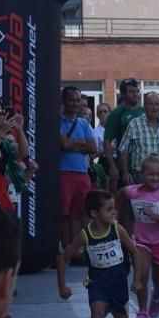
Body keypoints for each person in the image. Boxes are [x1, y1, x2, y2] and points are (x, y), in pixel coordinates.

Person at [58, 190, 143, 318]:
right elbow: (63, 258)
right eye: (109, 209)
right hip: (97, 283)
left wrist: (137, 280)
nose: (114, 213)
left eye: (115, 209)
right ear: (94, 213)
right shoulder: (85, 235)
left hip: (118, 284)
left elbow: (135, 253)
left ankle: (115, 307)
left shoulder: (117, 230)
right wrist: (62, 286)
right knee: (96, 316)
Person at [117, 155, 159, 318]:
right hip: (141, 240)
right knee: (141, 275)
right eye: (151, 174)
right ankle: (142, 311)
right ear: (142, 174)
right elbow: (120, 194)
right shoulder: (134, 191)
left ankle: (156, 297)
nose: (155, 178)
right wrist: (114, 213)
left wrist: (153, 215)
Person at [59, 86, 98, 251]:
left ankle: (75, 251)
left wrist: (72, 145)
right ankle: (66, 250)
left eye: (77, 100)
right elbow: (62, 144)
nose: (75, 103)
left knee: (79, 214)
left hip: (82, 174)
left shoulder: (83, 122)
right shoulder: (56, 121)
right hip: (63, 173)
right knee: (63, 214)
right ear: (64, 101)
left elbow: (94, 147)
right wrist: (82, 143)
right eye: (71, 100)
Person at [119, 92, 159, 188]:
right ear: (144, 106)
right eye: (151, 104)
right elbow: (124, 150)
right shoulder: (134, 124)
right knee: (140, 203)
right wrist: (125, 172)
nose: (154, 107)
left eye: (157, 104)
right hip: (140, 176)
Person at [103, 78, 143, 191]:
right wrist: (112, 167)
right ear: (123, 94)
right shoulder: (116, 114)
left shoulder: (143, 111)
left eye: (136, 91)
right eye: (131, 91)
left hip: (143, 165)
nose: (135, 94)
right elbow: (107, 141)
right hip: (125, 166)